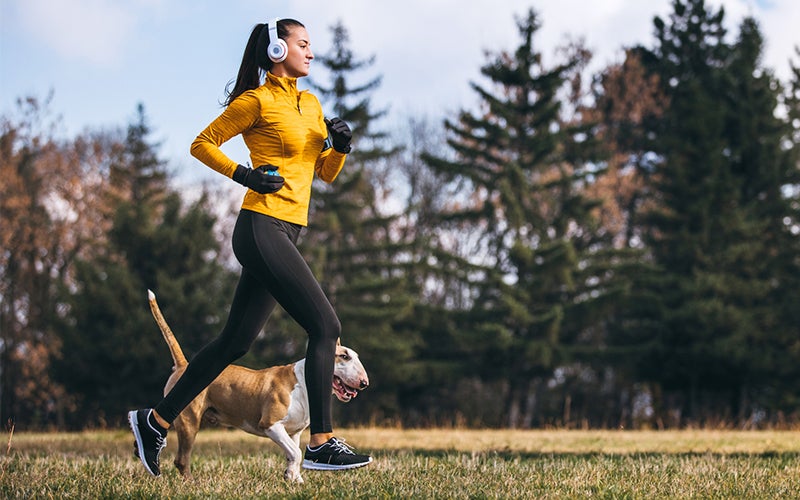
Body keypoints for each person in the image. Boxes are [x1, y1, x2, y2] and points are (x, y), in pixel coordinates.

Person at [128, 17, 372, 477]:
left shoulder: (312, 103)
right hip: (261, 225)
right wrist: (244, 174)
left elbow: (325, 173)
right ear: (278, 50)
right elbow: (202, 144)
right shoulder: (256, 100)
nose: (311, 52)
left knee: (234, 343)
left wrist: (339, 146)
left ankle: (154, 420)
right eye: (303, 44)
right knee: (326, 325)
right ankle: (321, 441)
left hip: (287, 229)